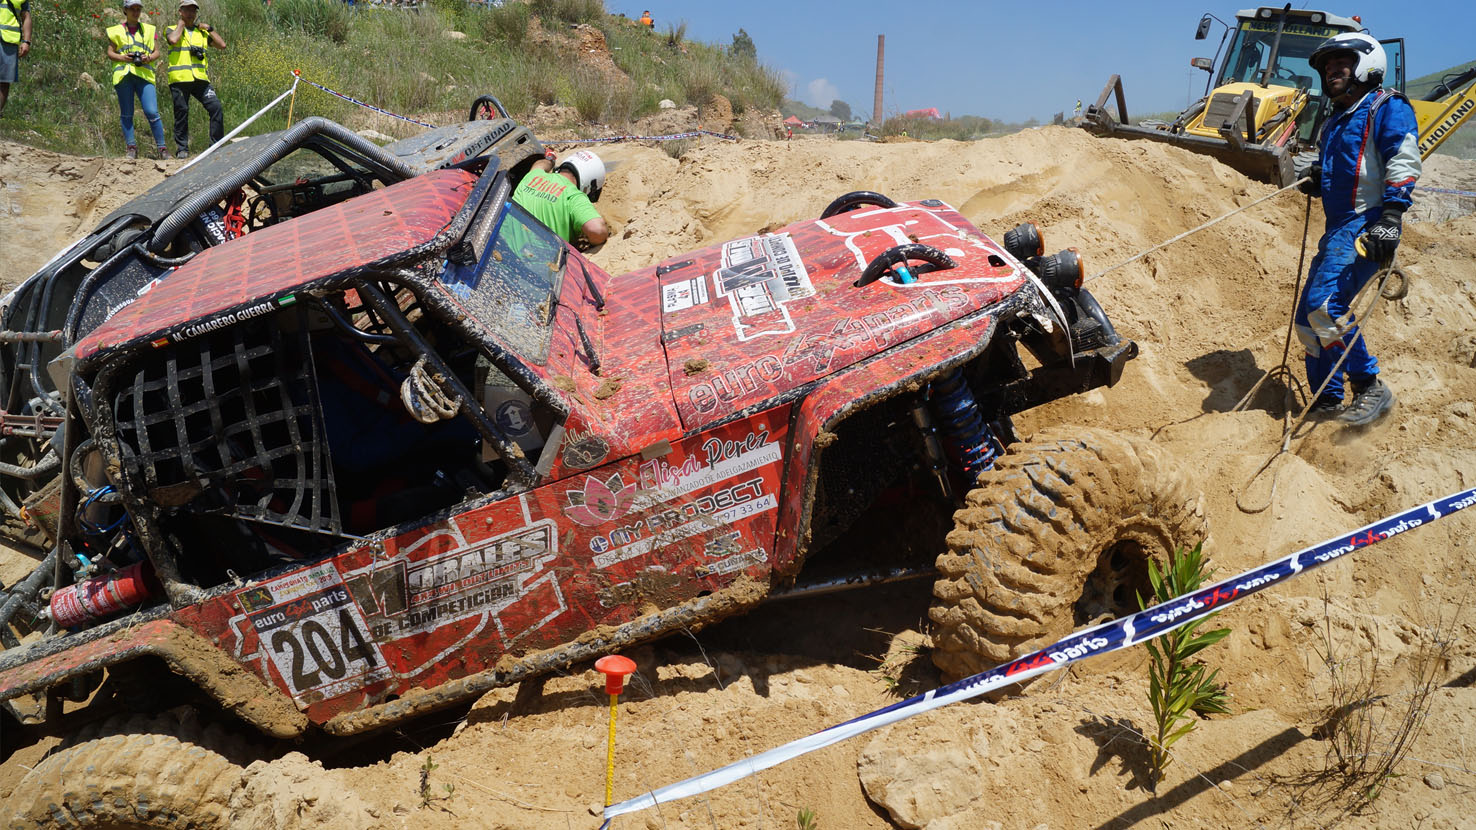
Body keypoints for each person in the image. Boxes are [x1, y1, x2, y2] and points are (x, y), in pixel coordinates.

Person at [1296, 32, 1418, 425]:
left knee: (1323, 307)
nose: (1332, 71)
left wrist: (1392, 218)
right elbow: (1347, 168)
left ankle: (1369, 385)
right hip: (1336, 231)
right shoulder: (1335, 121)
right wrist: (1319, 176)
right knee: (1307, 322)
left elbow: (1402, 158)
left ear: (1366, 65)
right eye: (1327, 67)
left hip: (1367, 224)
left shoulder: (1386, 107)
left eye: (1341, 64)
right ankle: (1327, 399)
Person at [105, 0, 168, 160]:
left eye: (138, 9)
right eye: (132, 9)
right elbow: (110, 52)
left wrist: (148, 58)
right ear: (125, 10)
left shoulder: (149, 30)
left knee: (152, 111)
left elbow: (157, 52)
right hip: (124, 75)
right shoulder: (116, 31)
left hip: (144, 75)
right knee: (127, 113)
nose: (135, 12)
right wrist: (122, 57)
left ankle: (162, 149)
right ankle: (131, 148)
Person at [164, 0, 225, 158]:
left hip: (200, 80)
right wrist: (181, 25)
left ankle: (215, 146)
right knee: (182, 113)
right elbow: (173, 40)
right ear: (180, 11)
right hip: (179, 79)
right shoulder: (171, 29)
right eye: (187, 10)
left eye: (193, 11)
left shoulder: (202, 33)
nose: (191, 14)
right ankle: (182, 149)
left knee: (215, 108)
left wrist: (210, 29)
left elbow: (222, 45)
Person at [511, 150, 609, 246]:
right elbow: (598, 230)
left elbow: (539, 164)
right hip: (537, 259)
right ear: (590, 184)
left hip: (503, 250)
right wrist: (591, 244)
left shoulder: (533, 175)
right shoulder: (574, 196)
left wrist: (550, 159)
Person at [0, 0, 32, 116]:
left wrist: (26, 41)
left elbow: (26, 16)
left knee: (4, 80)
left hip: (8, 40)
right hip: (8, 41)